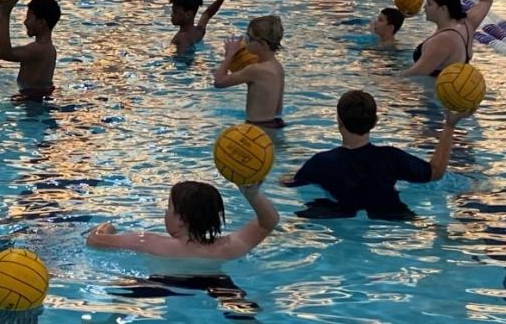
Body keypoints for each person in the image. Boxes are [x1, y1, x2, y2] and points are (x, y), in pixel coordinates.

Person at [281, 90, 471, 219]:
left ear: (338, 120)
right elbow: (435, 172)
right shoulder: (391, 157)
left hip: (338, 216)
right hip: (391, 216)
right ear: (375, 121)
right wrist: (449, 125)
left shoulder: (321, 162)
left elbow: (288, 184)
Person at [86, 180, 278, 261]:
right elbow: (268, 222)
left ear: (181, 219)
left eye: (169, 207)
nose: (165, 212)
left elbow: (94, 240)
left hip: (162, 284)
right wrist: (251, 193)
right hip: (217, 285)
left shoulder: (150, 242)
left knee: (121, 297)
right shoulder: (227, 248)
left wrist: (107, 226)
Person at [401, 0, 491, 78]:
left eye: (429, 3)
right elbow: (486, 1)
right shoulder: (466, 23)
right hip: (455, 91)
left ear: (443, 9)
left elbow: (413, 74)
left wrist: (382, 79)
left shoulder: (443, 40)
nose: (424, 7)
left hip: (433, 94)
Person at [213, 16, 285, 129]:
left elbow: (219, 82)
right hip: (276, 124)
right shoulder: (277, 67)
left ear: (262, 44)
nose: (244, 42)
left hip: (258, 129)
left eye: (248, 38)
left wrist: (230, 54)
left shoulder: (256, 70)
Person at [0, 0, 61, 100]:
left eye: (29, 18)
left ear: (41, 23)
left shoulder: (37, 50)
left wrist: (5, 14)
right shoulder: (49, 49)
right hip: (35, 99)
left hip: (30, 102)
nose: (25, 22)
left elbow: (3, 53)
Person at [169, 0, 233, 54]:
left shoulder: (182, 38)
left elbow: (182, 60)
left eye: (175, 12)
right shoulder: (198, 31)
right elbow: (207, 14)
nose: (171, 15)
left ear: (188, 14)